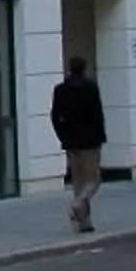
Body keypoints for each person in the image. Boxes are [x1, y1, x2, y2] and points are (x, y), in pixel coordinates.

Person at [49, 55, 108, 232]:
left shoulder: (60, 89)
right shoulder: (90, 88)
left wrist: (62, 135)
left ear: (69, 69)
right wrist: (100, 138)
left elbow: (54, 115)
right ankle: (78, 203)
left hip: (70, 140)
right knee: (93, 180)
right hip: (90, 140)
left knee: (78, 181)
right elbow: (98, 115)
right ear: (84, 69)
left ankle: (84, 222)